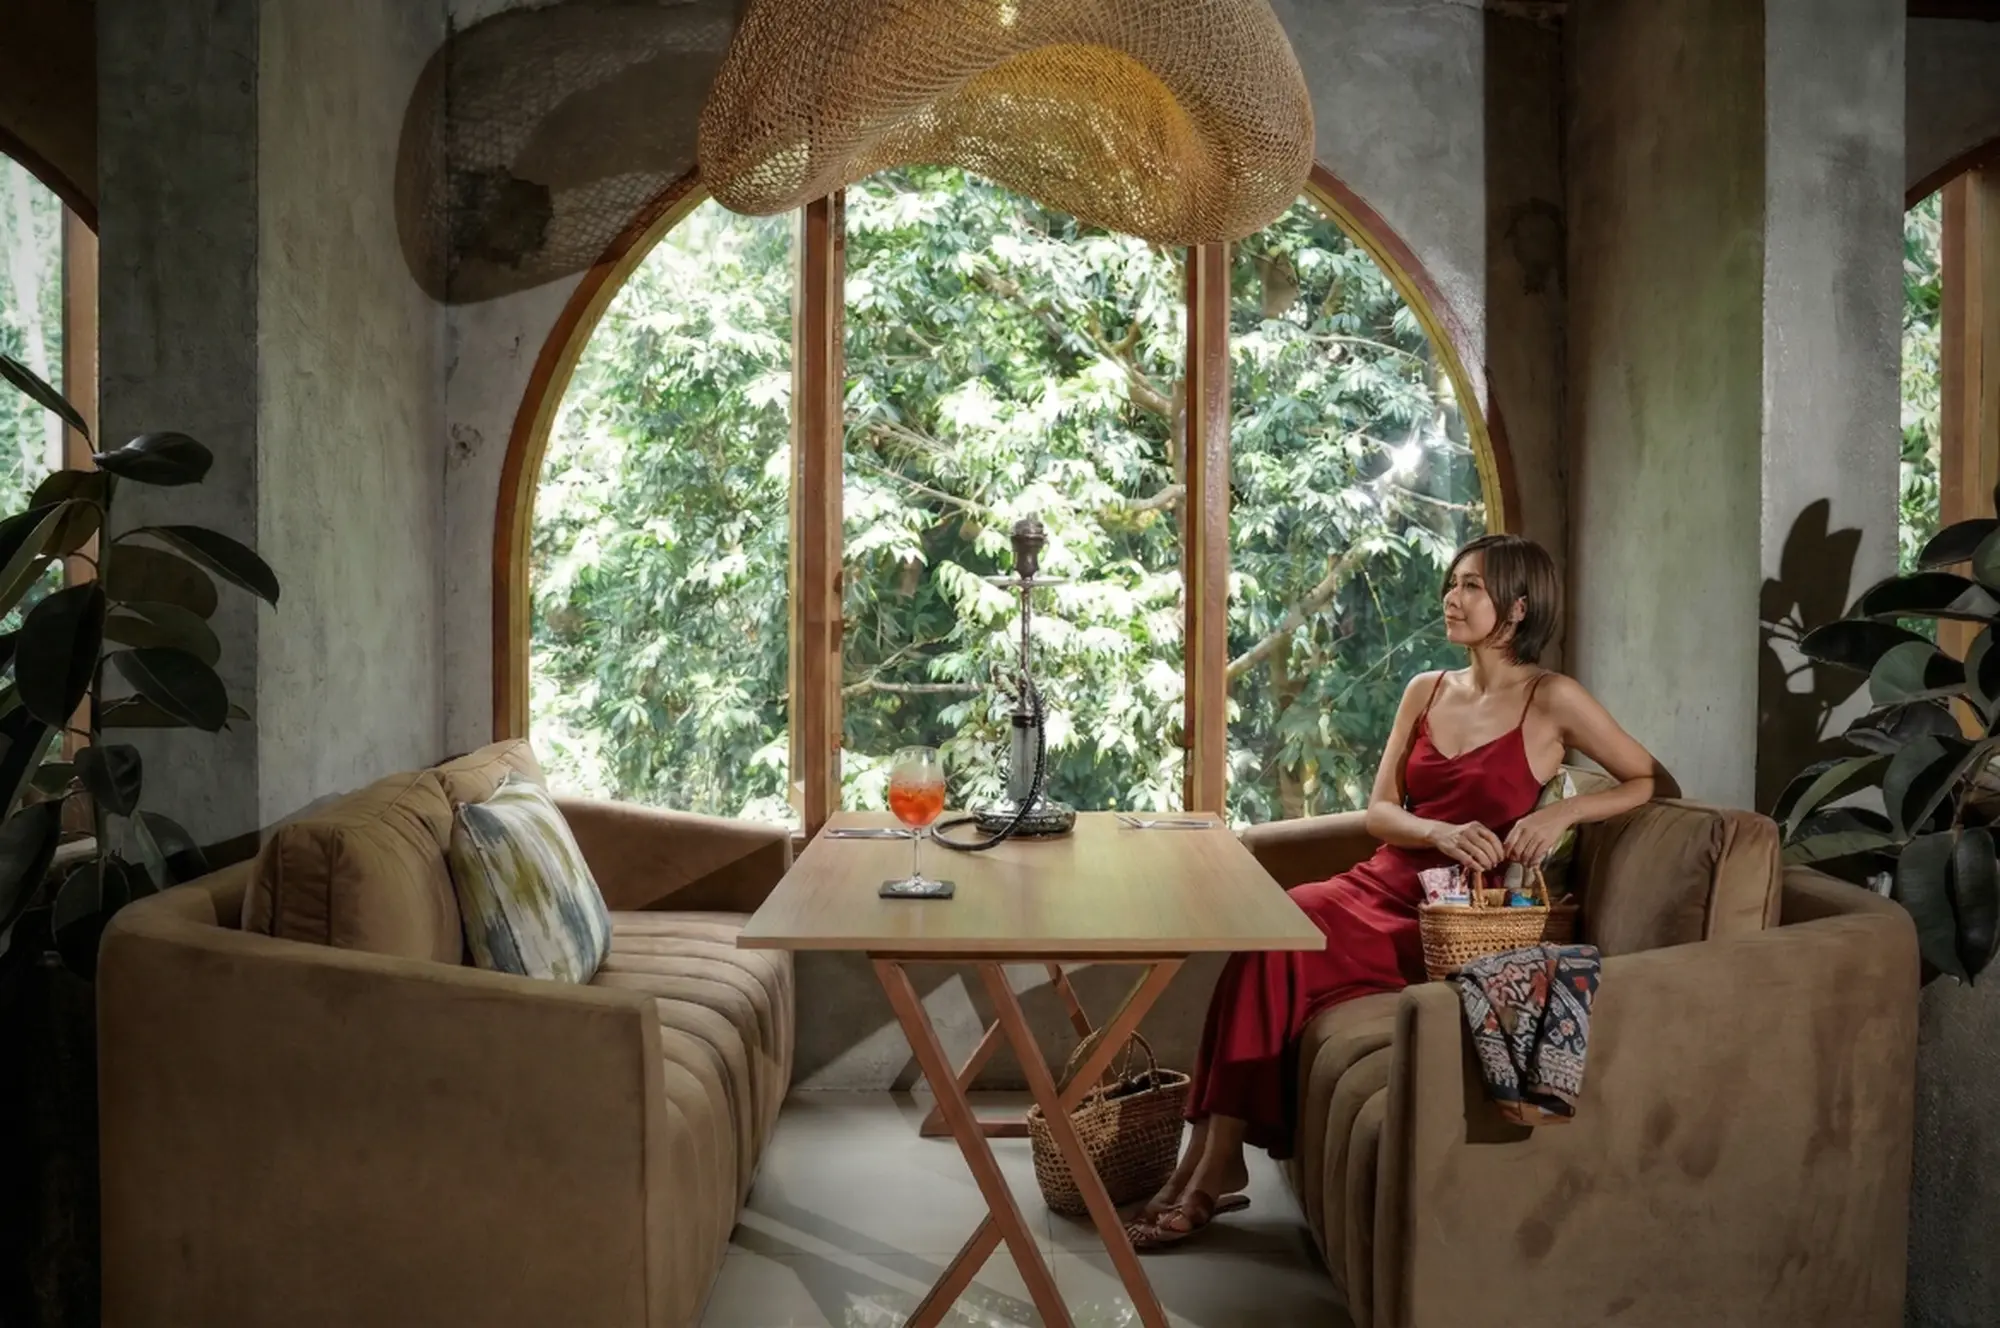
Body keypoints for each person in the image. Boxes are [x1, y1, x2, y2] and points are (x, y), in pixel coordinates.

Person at [1128, 533, 1657, 1249]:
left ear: (1518, 606)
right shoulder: (1426, 689)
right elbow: (1381, 811)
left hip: (1445, 920)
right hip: (1378, 883)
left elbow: (1646, 779)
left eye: (1472, 586)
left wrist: (1559, 811)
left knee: (1283, 947)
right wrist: (1438, 832)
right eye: (1452, 582)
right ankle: (1212, 1164)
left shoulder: (1552, 698)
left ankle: (1210, 1167)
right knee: (1277, 933)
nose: (1452, 597)